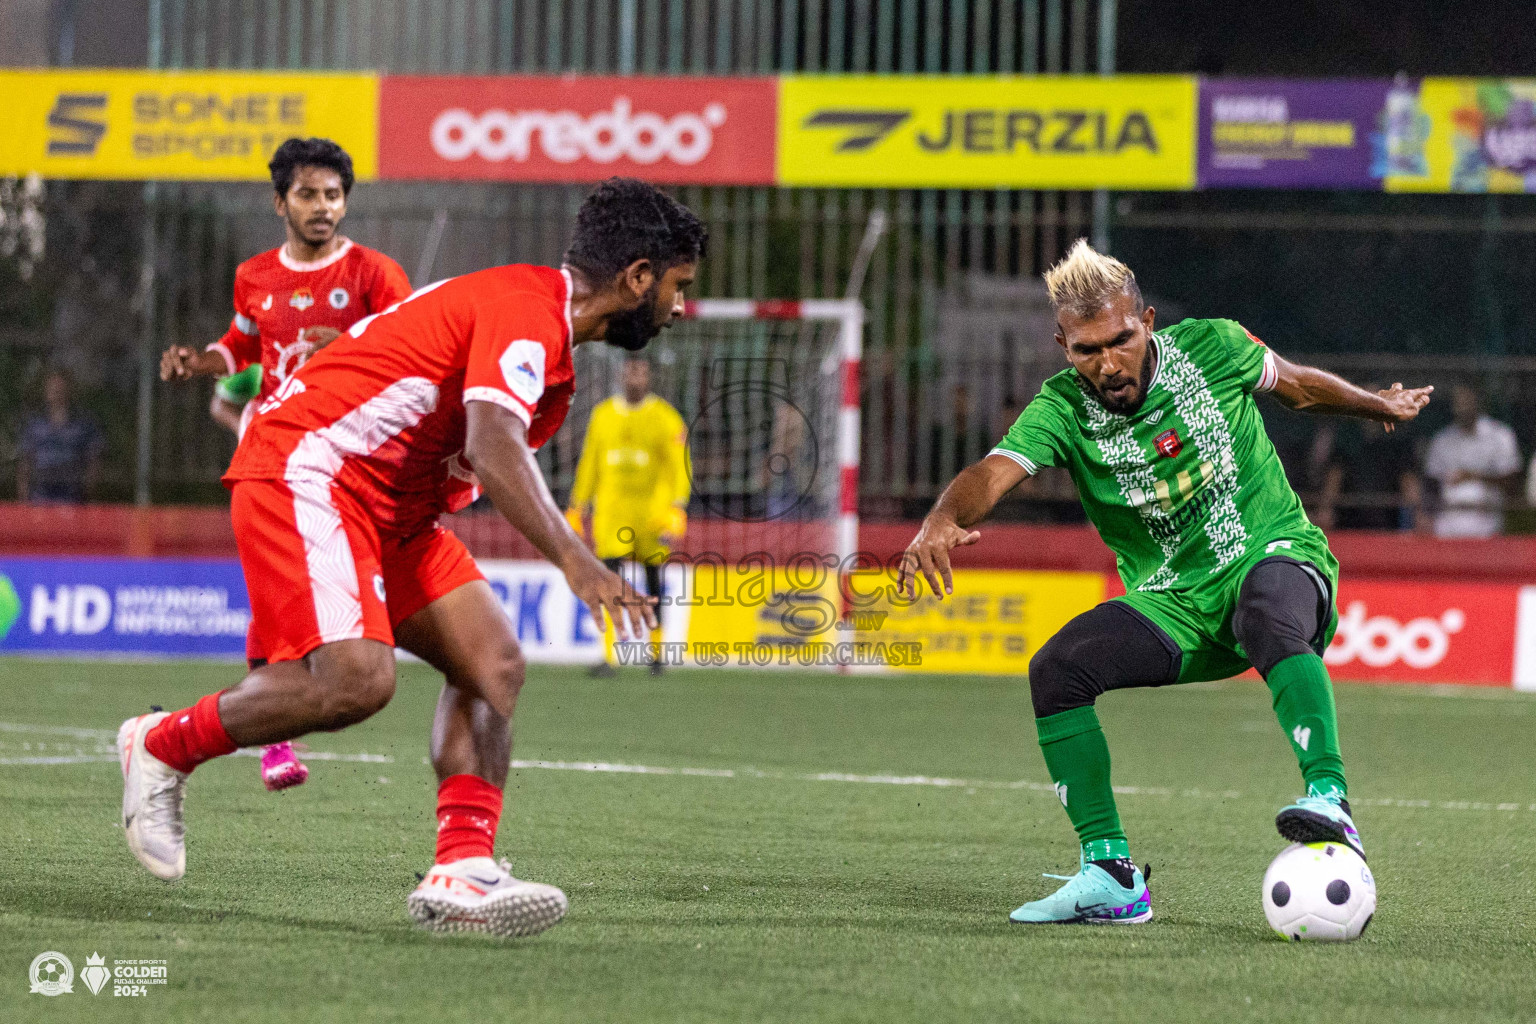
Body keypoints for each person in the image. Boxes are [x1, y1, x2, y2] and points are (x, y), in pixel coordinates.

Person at [117, 177, 706, 940]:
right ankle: (161, 744)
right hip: (312, 469)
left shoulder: (541, 324)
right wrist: (577, 561)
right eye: (678, 286)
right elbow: (491, 445)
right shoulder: (530, 314)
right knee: (356, 683)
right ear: (635, 279)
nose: (680, 306)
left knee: (492, 664)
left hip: (391, 506)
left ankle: (462, 870)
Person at [899, 239, 1431, 925]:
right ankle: (1111, 874)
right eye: (1086, 350)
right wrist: (942, 518)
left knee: (1266, 608)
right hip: (1176, 602)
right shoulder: (1061, 407)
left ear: (1146, 321)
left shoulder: (1214, 347)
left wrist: (1375, 404)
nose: (1107, 362)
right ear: (1063, 344)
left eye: (1120, 340)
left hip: (1272, 556)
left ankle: (1330, 798)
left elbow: (1297, 386)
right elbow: (995, 472)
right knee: (1057, 671)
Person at [160, 137, 413, 791]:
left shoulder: (376, 275)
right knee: (275, 592)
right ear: (280, 202)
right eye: (308, 194)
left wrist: (355, 344)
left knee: (310, 598)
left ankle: (283, 709)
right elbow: (241, 342)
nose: (324, 206)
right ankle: (276, 739)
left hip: (351, 458)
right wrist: (203, 362)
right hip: (274, 451)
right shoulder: (255, 275)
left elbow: (413, 353)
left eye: (334, 195)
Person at [566, 354, 690, 676]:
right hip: (611, 514)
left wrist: (677, 506)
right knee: (610, 581)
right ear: (623, 374)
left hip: (650, 515)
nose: (635, 377)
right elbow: (590, 463)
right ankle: (608, 656)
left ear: (649, 377)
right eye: (631, 371)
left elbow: (679, 467)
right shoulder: (603, 415)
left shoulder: (666, 419)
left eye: (641, 372)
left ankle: (657, 655)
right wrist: (578, 505)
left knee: (652, 584)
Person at [1422, 383, 1520, 539]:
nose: (1461, 406)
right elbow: (1431, 484)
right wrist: (1426, 516)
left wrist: (1473, 476)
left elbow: (1512, 482)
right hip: (1448, 521)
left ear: (1478, 401)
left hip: (1486, 519)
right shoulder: (1442, 439)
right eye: (1458, 401)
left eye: (1466, 400)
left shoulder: (1500, 435)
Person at [1313, 411, 1422, 532]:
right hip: (1349, 519)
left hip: (1388, 520)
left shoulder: (1398, 438)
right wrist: (1325, 509)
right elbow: (1335, 475)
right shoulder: (1346, 435)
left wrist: (1418, 514)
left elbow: (1407, 479)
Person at [17, 369, 103, 503]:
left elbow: (93, 459)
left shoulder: (84, 423)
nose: (57, 393)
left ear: (69, 390)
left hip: (71, 491)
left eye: (60, 388)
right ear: (46, 391)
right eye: (53, 388)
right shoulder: (34, 423)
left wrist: (90, 490)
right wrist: (23, 492)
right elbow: (26, 459)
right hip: (41, 490)